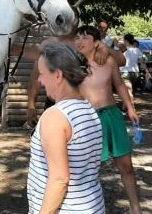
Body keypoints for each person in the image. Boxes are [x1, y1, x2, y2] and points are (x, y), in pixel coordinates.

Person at [27, 43, 104, 214]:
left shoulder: (55, 117)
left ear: (58, 75)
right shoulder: (88, 109)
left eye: (42, 74)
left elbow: (59, 179)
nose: (39, 80)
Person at [75, 26, 143, 214]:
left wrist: (129, 108)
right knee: (89, 169)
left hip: (112, 115)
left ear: (97, 42)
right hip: (87, 119)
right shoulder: (73, 64)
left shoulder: (109, 60)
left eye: (85, 37)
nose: (79, 41)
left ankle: (136, 209)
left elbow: (119, 84)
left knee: (126, 166)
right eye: (77, 38)